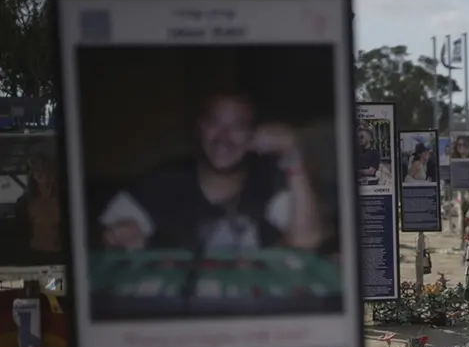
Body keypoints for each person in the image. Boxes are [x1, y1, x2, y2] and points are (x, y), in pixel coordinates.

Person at [98, 92, 325, 254]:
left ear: (253, 136)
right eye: (214, 124)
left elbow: (306, 241)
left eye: (236, 126)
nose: (223, 137)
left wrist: (294, 158)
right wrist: (120, 234)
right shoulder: (164, 180)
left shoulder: (267, 180)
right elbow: (108, 233)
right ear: (201, 128)